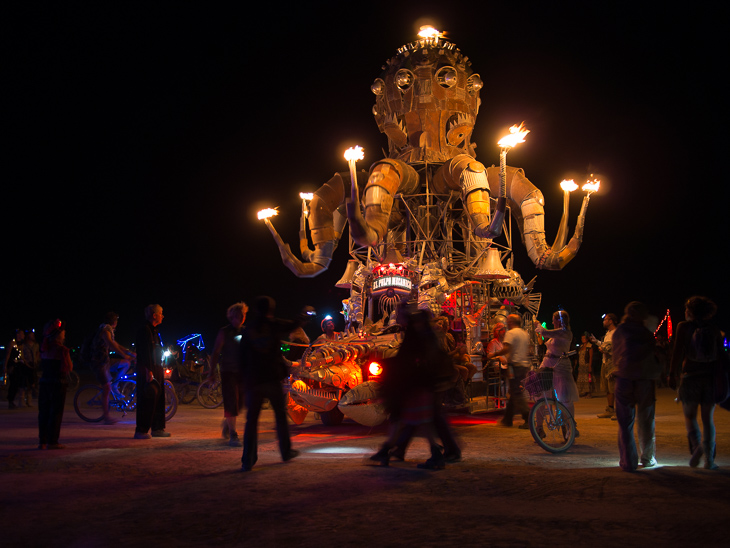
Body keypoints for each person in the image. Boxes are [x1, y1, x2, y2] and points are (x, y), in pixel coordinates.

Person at [368, 309, 456, 469]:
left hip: (419, 386)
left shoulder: (420, 336)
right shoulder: (422, 335)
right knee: (418, 419)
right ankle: (395, 450)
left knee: (419, 419)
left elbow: (410, 359)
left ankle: (393, 450)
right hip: (419, 385)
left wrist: (392, 370)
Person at [239, 296, 301, 471]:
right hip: (272, 379)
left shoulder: (249, 328)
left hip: (254, 380)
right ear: (271, 310)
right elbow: (291, 324)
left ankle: (247, 460)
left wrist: (243, 380)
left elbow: (242, 355)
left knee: (251, 421)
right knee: (280, 417)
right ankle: (286, 451)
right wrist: (304, 315)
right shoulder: (274, 324)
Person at [669, 296, 725, 469]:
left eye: (687, 309)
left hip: (690, 377)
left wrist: (672, 373)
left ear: (691, 312)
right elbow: (721, 357)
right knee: (708, 418)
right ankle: (709, 459)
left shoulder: (683, 327)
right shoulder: (714, 330)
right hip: (709, 378)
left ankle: (697, 447)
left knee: (690, 416)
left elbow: (677, 351)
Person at [612, 301, 661, 471]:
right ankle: (648, 458)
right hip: (644, 379)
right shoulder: (647, 332)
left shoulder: (621, 331)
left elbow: (615, 356)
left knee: (625, 422)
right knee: (646, 420)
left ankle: (628, 461)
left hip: (624, 377)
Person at [209, 301, 248, 447]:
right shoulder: (224, 332)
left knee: (241, 403)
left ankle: (227, 424)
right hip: (228, 372)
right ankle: (233, 434)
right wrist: (211, 372)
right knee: (231, 403)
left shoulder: (246, 331)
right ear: (233, 317)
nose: (243, 318)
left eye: (244, 315)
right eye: (240, 315)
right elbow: (216, 352)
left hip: (243, 373)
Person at [534, 311, 580, 433]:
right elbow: (545, 336)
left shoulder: (565, 332)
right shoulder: (557, 333)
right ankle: (539, 427)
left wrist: (538, 324)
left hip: (560, 366)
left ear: (559, 321)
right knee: (541, 395)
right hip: (547, 363)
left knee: (564, 398)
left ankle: (570, 425)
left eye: (554, 320)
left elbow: (545, 332)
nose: (552, 322)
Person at [90, 312, 136, 424]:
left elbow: (116, 344)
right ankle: (106, 417)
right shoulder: (105, 330)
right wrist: (123, 354)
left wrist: (130, 354)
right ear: (114, 322)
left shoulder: (108, 330)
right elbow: (111, 344)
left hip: (106, 361)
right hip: (99, 362)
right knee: (106, 388)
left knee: (126, 363)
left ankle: (115, 385)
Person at [487, 314, 531, 428]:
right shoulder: (524, 333)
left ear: (511, 322)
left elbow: (507, 348)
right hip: (523, 365)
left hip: (514, 365)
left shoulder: (511, 333)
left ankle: (527, 416)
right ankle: (508, 418)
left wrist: (495, 354)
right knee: (514, 390)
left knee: (516, 391)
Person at [134, 304, 170, 439]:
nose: (163, 316)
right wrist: (149, 370)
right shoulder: (144, 330)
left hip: (157, 367)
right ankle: (141, 430)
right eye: (161, 313)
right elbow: (145, 352)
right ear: (154, 315)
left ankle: (157, 428)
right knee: (147, 399)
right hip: (148, 369)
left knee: (158, 399)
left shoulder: (155, 331)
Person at [38, 319, 73, 449]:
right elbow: (69, 367)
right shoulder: (62, 350)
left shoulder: (44, 348)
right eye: (63, 332)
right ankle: (52, 441)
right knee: (56, 412)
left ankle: (42, 441)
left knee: (43, 412)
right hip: (58, 384)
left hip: (44, 383)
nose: (65, 334)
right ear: (58, 335)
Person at [590, 313, 618, 419]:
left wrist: (605, 349)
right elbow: (605, 345)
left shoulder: (616, 333)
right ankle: (610, 409)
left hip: (613, 363)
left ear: (611, 321)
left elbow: (614, 347)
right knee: (607, 388)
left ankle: (620, 411)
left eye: (605, 319)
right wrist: (596, 342)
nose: (603, 321)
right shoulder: (608, 333)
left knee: (614, 387)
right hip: (605, 362)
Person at [4, 329, 27, 409]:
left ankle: (14, 400)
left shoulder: (21, 344)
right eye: (22, 333)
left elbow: (22, 356)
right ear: (18, 335)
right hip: (12, 366)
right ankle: (10, 400)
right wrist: (5, 366)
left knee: (18, 383)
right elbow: (7, 355)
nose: (23, 335)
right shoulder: (12, 343)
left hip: (19, 366)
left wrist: (26, 363)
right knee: (13, 383)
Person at [485, 322, 508, 400]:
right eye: (502, 330)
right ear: (497, 332)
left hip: (506, 364)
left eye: (504, 330)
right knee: (509, 371)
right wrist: (499, 357)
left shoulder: (505, 343)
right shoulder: (493, 343)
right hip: (497, 366)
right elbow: (489, 356)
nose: (504, 332)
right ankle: (505, 394)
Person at [23, 330, 41, 403]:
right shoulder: (24, 344)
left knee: (33, 380)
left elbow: (37, 352)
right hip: (26, 363)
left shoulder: (36, 344)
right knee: (26, 381)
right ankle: (24, 398)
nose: (33, 336)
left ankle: (30, 398)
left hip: (33, 363)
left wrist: (36, 359)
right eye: (31, 335)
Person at [577, 332, 595, 398]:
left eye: (584, 338)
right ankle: (584, 392)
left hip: (586, 365)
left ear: (587, 339)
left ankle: (589, 393)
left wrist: (590, 366)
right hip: (581, 365)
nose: (583, 339)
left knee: (588, 379)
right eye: (582, 338)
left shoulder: (589, 346)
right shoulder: (581, 346)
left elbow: (590, 357)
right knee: (582, 379)